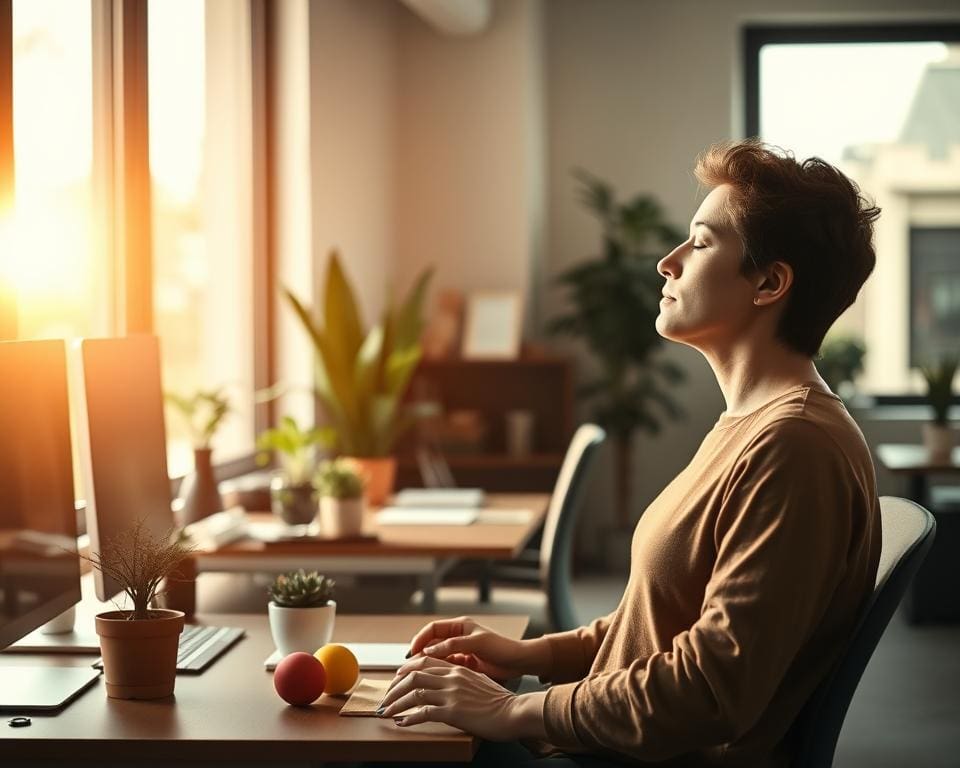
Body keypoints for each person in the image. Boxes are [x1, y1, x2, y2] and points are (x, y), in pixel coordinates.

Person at [377, 140, 883, 767]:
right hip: (600, 742)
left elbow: (711, 691)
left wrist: (511, 709)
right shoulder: (750, 426)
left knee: (375, 746)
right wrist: (526, 655)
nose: (668, 263)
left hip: (625, 759)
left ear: (770, 283)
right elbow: (658, 624)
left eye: (700, 242)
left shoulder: (795, 447)